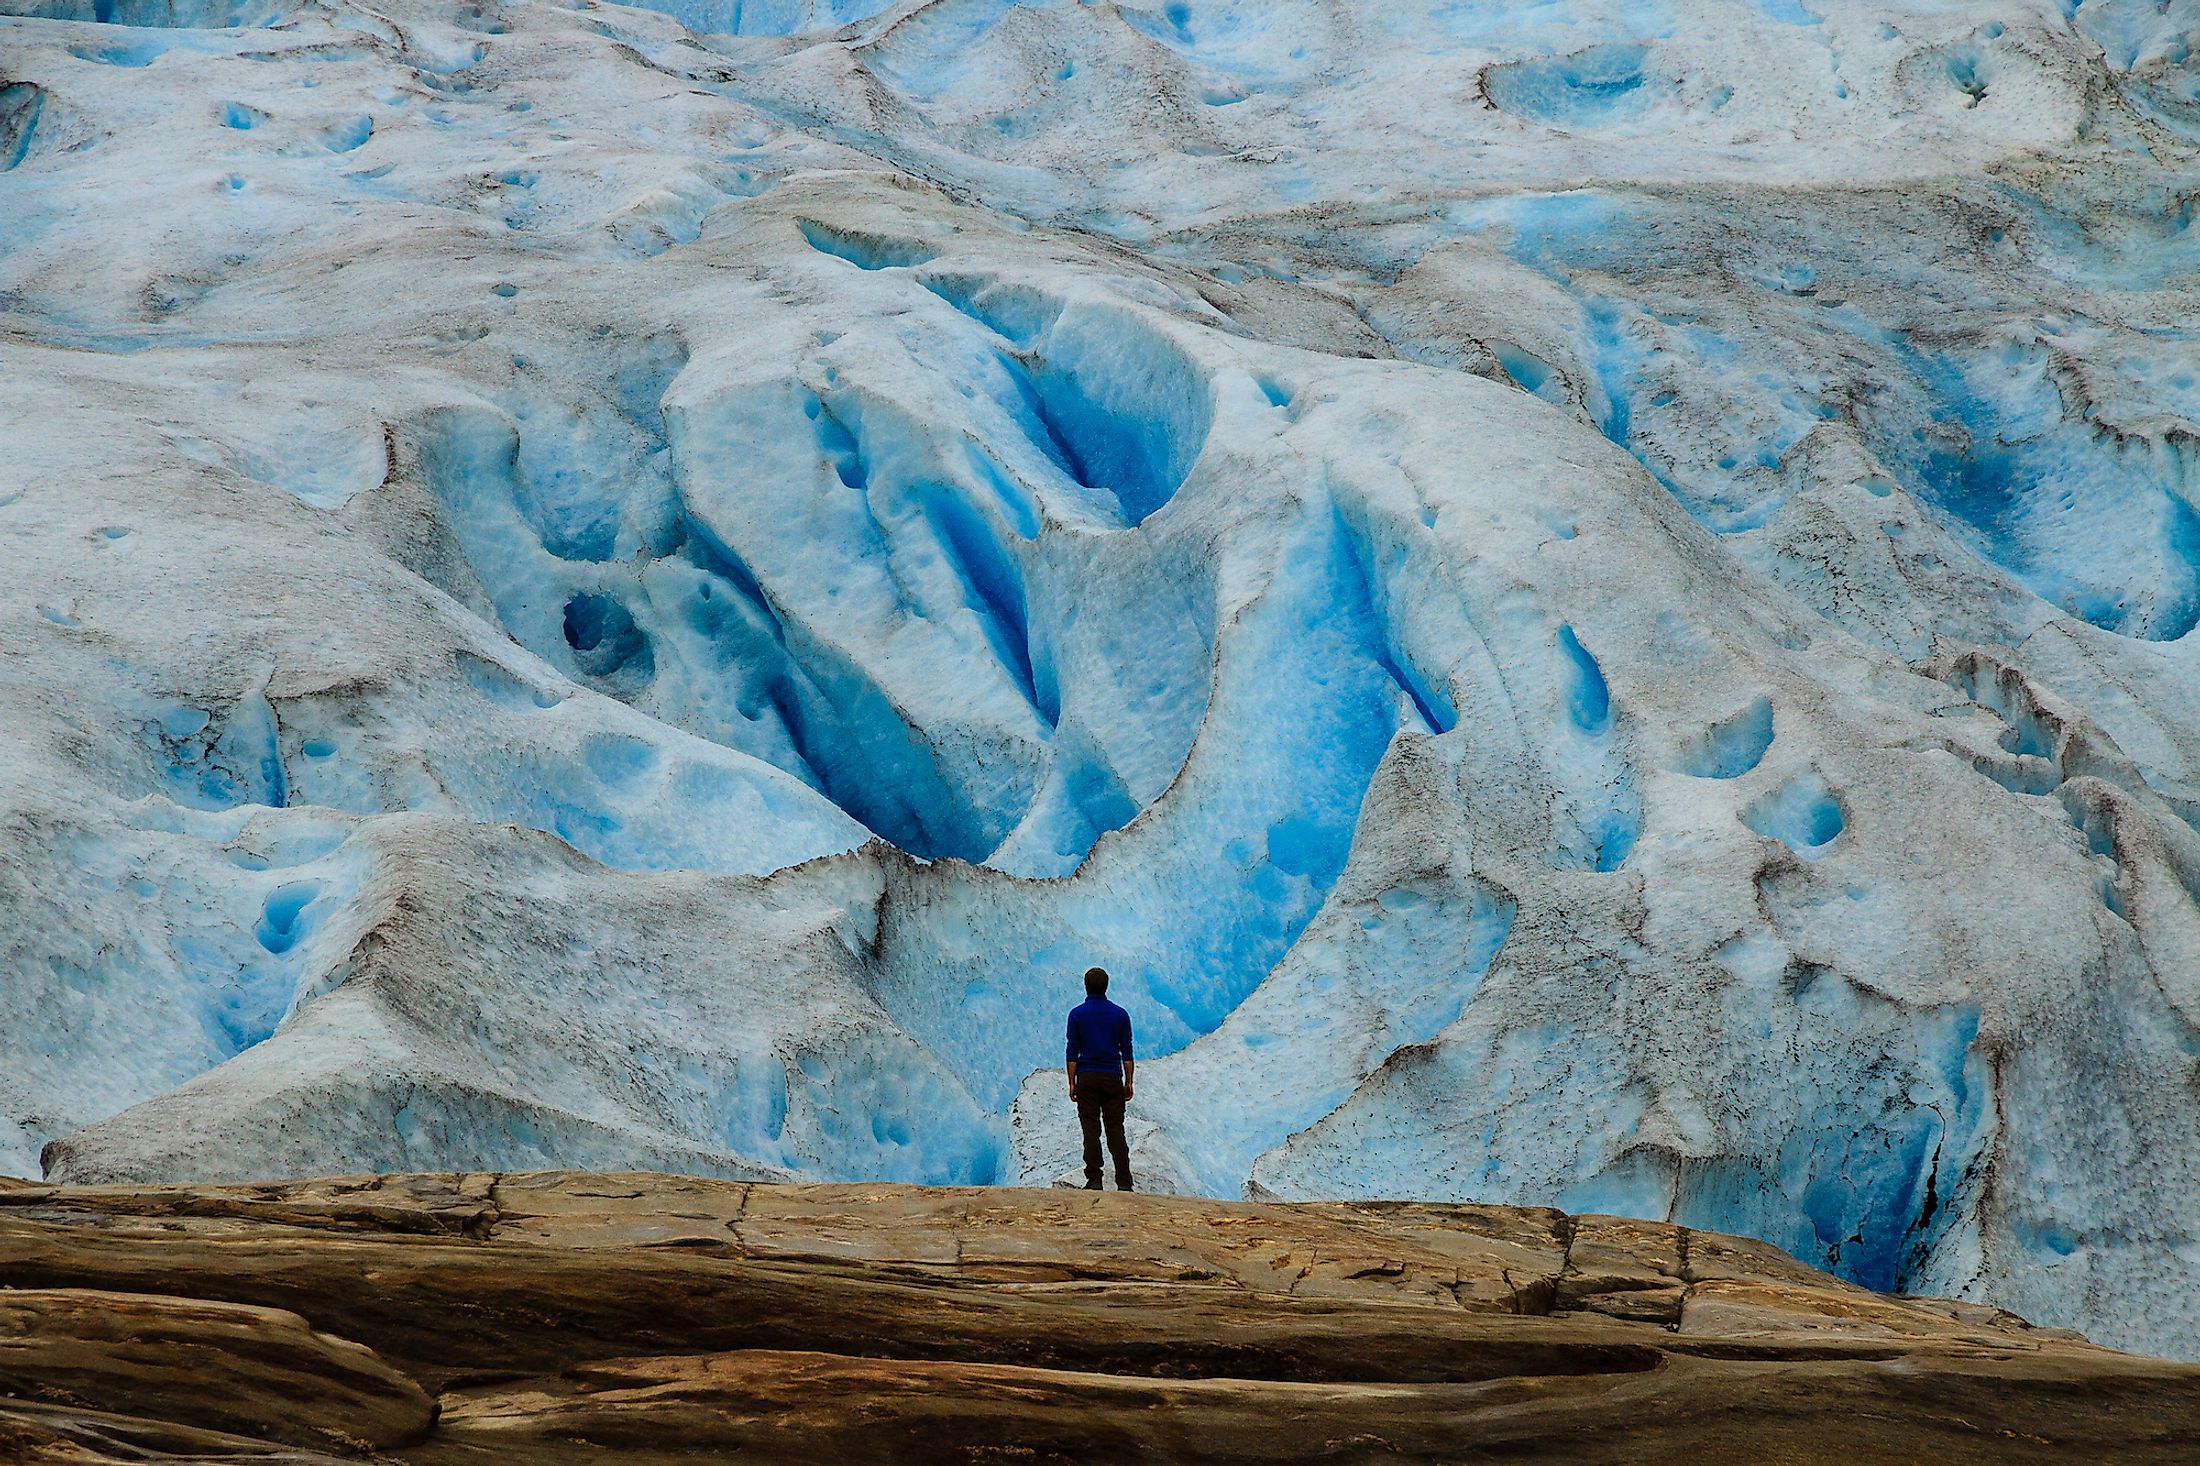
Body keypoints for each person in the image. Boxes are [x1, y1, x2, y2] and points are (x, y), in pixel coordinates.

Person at [1064, 965, 1134, 1192]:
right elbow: (1127, 1052)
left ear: (1086, 986)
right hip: (1112, 1076)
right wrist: (1129, 1081)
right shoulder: (1120, 1014)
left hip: (1088, 1077)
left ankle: (1094, 1179)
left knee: (1090, 1130)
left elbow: (1072, 1051)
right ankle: (1124, 1182)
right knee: (1115, 1129)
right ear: (1106, 986)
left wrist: (1072, 1082)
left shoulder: (1076, 1014)